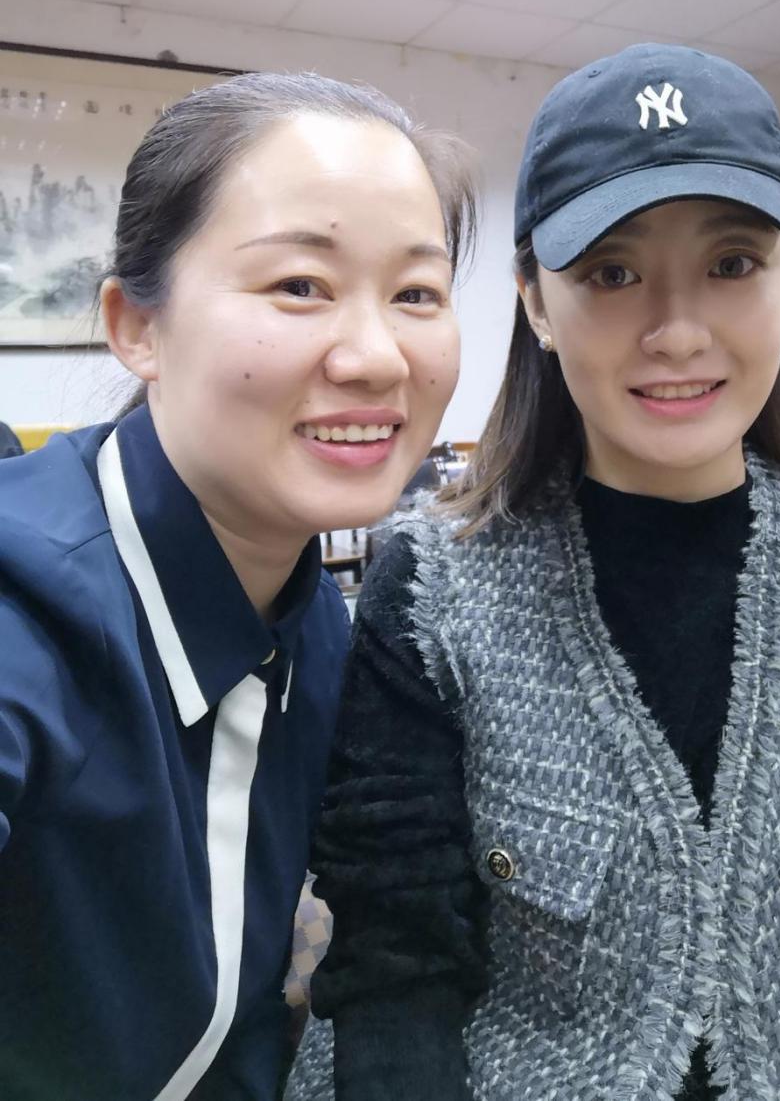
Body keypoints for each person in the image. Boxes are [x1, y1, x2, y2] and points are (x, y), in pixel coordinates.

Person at [308, 45, 780, 1101]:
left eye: (732, 263)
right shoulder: (432, 593)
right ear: (535, 303)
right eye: (611, 273)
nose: (677, 333)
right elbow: (393, 972)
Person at [0, 71, 475, 1100]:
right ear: (137, 326)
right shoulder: (26, 606)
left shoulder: (323, 627)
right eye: (299, 285)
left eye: (416, 294)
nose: (376, 357)